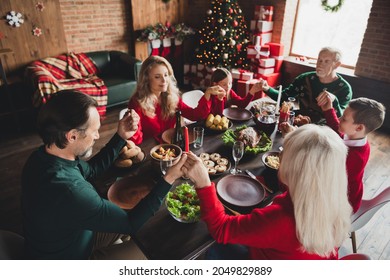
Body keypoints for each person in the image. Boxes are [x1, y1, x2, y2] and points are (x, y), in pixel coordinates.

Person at [21, 90, 188, 259]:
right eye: (94, 131)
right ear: (72, 136)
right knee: (154, 251)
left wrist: (121, 136)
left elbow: (91, 170)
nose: (97, 136)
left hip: (75, 235)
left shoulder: (43, 156)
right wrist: (169, 178)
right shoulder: (69, 190)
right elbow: (130, 223)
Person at [182, 124, 352, 259]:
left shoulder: (280, 220)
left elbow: (220, 229)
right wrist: (296, 140)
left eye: (284, 151)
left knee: (215, 248)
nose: (279, 155)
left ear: (298, 170)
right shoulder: (331, 199)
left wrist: (203, 183)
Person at [127, 55, 222, 145]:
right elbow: (136, 141)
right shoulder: (137, 102)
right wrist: (132, 128)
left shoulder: (171, 96)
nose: (164, 81)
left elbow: (195, 115)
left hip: (172, 148)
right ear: (146, 79)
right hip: (150, 151)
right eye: (157, 77)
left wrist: (207, 94)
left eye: (166, 75)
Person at [317, 94, 386, 213]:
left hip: (342, 205)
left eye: (344, 118)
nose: (339, 119)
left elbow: (323, 175)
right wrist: (328, 110)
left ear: (359, 128)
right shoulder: (356, 138)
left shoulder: (354, 158)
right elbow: (340, 133)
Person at [259, 47, 353, 123]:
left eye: (326, 61)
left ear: (337, 65)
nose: (320, 64)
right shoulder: (305, 78)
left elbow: (340, 120)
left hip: (324, 129)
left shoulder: (344, 88)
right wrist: (267, 89)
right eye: (319, 60)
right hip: (300, 120)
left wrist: (334, 100)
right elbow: (284, 97)